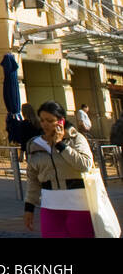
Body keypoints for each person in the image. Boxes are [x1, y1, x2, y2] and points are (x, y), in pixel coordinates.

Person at [24, 100, 95, 238]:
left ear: (61, 122)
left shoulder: (75, 139)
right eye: (42, 120)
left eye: (50, 120)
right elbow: (33, 180)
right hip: (50, 203)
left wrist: (60, 145)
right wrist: (29, 207)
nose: (45, 124)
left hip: (78, 203)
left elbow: (85, 164)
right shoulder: (34, 144)